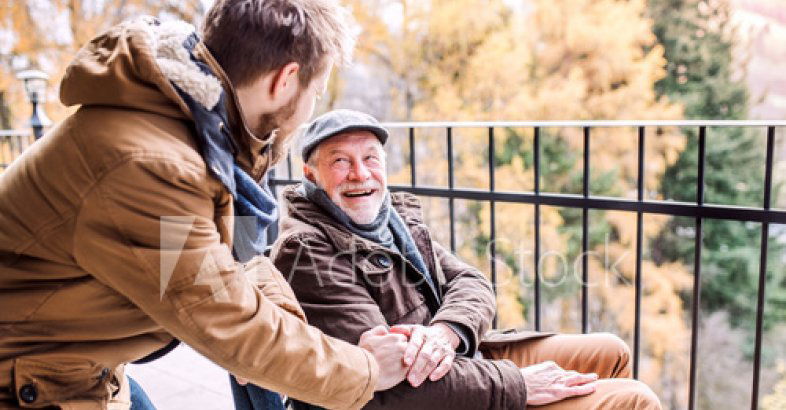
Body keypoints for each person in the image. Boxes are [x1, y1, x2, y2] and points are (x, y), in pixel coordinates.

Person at [0, 2, 410, 409]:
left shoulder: (197, 127)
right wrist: (366, 369)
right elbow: (221, 317)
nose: (308, 112)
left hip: (74, 360)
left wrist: (286, 329)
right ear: (285, 80)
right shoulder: (150, 166)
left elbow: (236, 259)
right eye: (315, 92)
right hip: (28, 375)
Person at [270, 109, 664, 409]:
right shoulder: (307, 250)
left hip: (460, 356)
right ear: (310, 173)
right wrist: (519, 384)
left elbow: (471, 282)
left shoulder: (390, 220)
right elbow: (385, 386)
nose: (360, 174)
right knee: (635, 399)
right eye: (340, 161)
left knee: (611, 351)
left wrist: (444, 333)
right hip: (425, 394)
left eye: (371, 158)